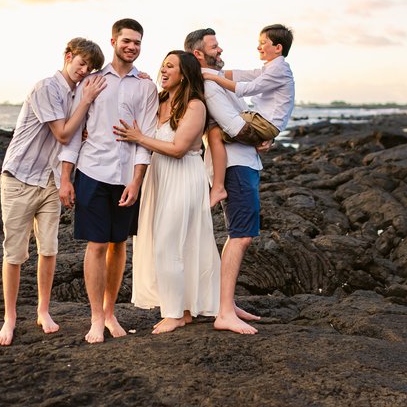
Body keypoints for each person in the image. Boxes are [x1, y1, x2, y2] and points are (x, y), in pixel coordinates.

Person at [0, 38, 107, 346]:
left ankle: (43, 311)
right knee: (15, 253)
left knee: (49, 249)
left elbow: (76, 136)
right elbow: (62, 133)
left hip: (50, 179)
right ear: (68, 56)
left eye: (90, 68)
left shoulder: (76, 94)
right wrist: (86, 102)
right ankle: (10, 318)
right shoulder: (46, 88)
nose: (84, 71)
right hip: (20, 176)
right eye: (81, 63)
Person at [58, 18, 158, 344]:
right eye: (126, 40)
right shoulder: (92, 82)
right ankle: (96, 319)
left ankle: (111, 312)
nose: (132, 47)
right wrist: (66, 178)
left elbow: (147, 137)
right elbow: (73, 135)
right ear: (113, 40)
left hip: (127, 175)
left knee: (119, 244)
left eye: (137, 42)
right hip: (92, 171)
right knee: (97, 244)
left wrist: (137, 180)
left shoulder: (146, 86)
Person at [113, 51, 220, 333]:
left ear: (184, 73)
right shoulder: (159, 100)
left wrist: (140, 138)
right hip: (158, 177)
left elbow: (178, 148)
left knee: (170, 243)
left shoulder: (195, 106)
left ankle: (174, 313)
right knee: (162, 241)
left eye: (170, 66)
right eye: (163, 65)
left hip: (184, 174)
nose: (163, 69)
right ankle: (182, 310)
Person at [184, 28, 268, 334]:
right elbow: (233, 127)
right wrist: (261, 134)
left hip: (242, 162)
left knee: (238, 234)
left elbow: (243, 119)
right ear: (198, 54)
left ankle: (227, 304)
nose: (220, 51)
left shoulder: (219, 83)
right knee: (241, 235)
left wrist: (258, 139)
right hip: (235, 166)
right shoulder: (210, 86)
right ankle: (223, 312)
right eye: (214, 47)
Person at [201, 24, 296, 206]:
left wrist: (213, 78)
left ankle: (218, 186)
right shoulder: (271, 68)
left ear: (278, 48)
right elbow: (242, 74)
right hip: (265, 123)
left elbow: (246, 89)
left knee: (214, 133)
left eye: (263, 43)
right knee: (218, 130)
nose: (258, 47)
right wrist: (208, 72)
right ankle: (218, 186)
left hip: (264, 123)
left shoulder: (279, 70)